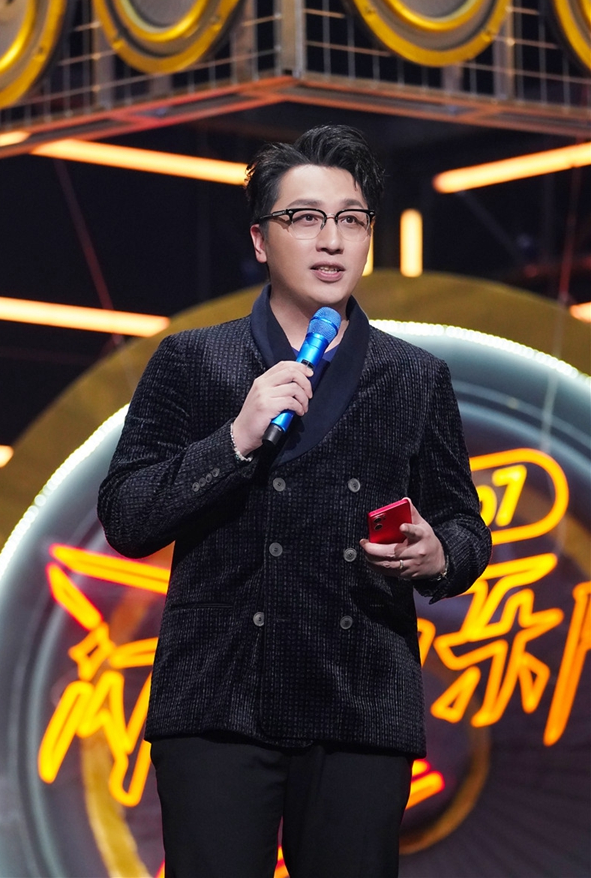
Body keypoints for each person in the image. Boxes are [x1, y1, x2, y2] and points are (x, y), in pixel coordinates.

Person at [98, 124, 491, 878]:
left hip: (360, 699)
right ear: (260, 238)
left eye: (351, 219)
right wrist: (234, 440)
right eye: (305, 218)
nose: (331, 240)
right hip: (218, 699)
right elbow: (127, 514)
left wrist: (438, 552)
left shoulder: (414, 376)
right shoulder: (194, 360)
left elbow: (465, 528)